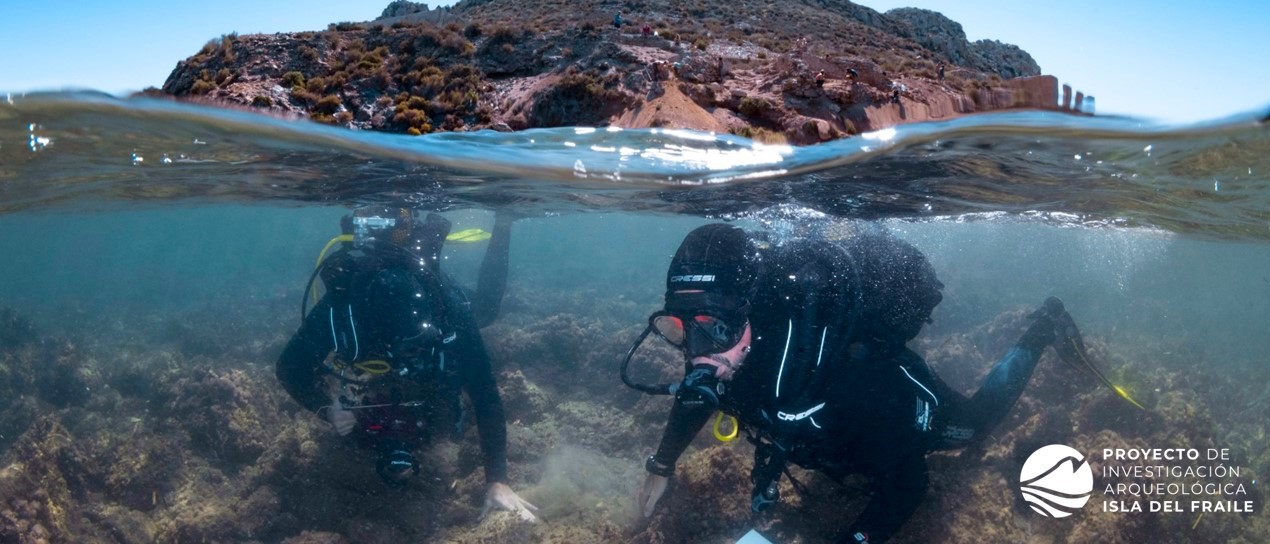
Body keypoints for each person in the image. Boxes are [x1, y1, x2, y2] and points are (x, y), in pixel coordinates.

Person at [624, 223, 1086, 542]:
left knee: (978, 424)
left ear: (752, 312)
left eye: (714, 326)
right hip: (824, 437)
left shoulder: (855, 379)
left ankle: (1043, 329)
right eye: (681, 328)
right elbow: (699, 392)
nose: (697, 354)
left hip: (894, 404)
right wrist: (660, 465)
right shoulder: (725, 350)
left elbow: (908, 485)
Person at [276, 206, 536, 521]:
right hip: (368, 307)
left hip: (426, 280)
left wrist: (497, 479)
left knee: (486, 310)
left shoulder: (446, 306)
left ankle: (504, 222)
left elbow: (484, 391)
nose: (399, 356)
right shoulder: (342, 310)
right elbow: (290, 368)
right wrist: (326, 408)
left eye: (411, 348)